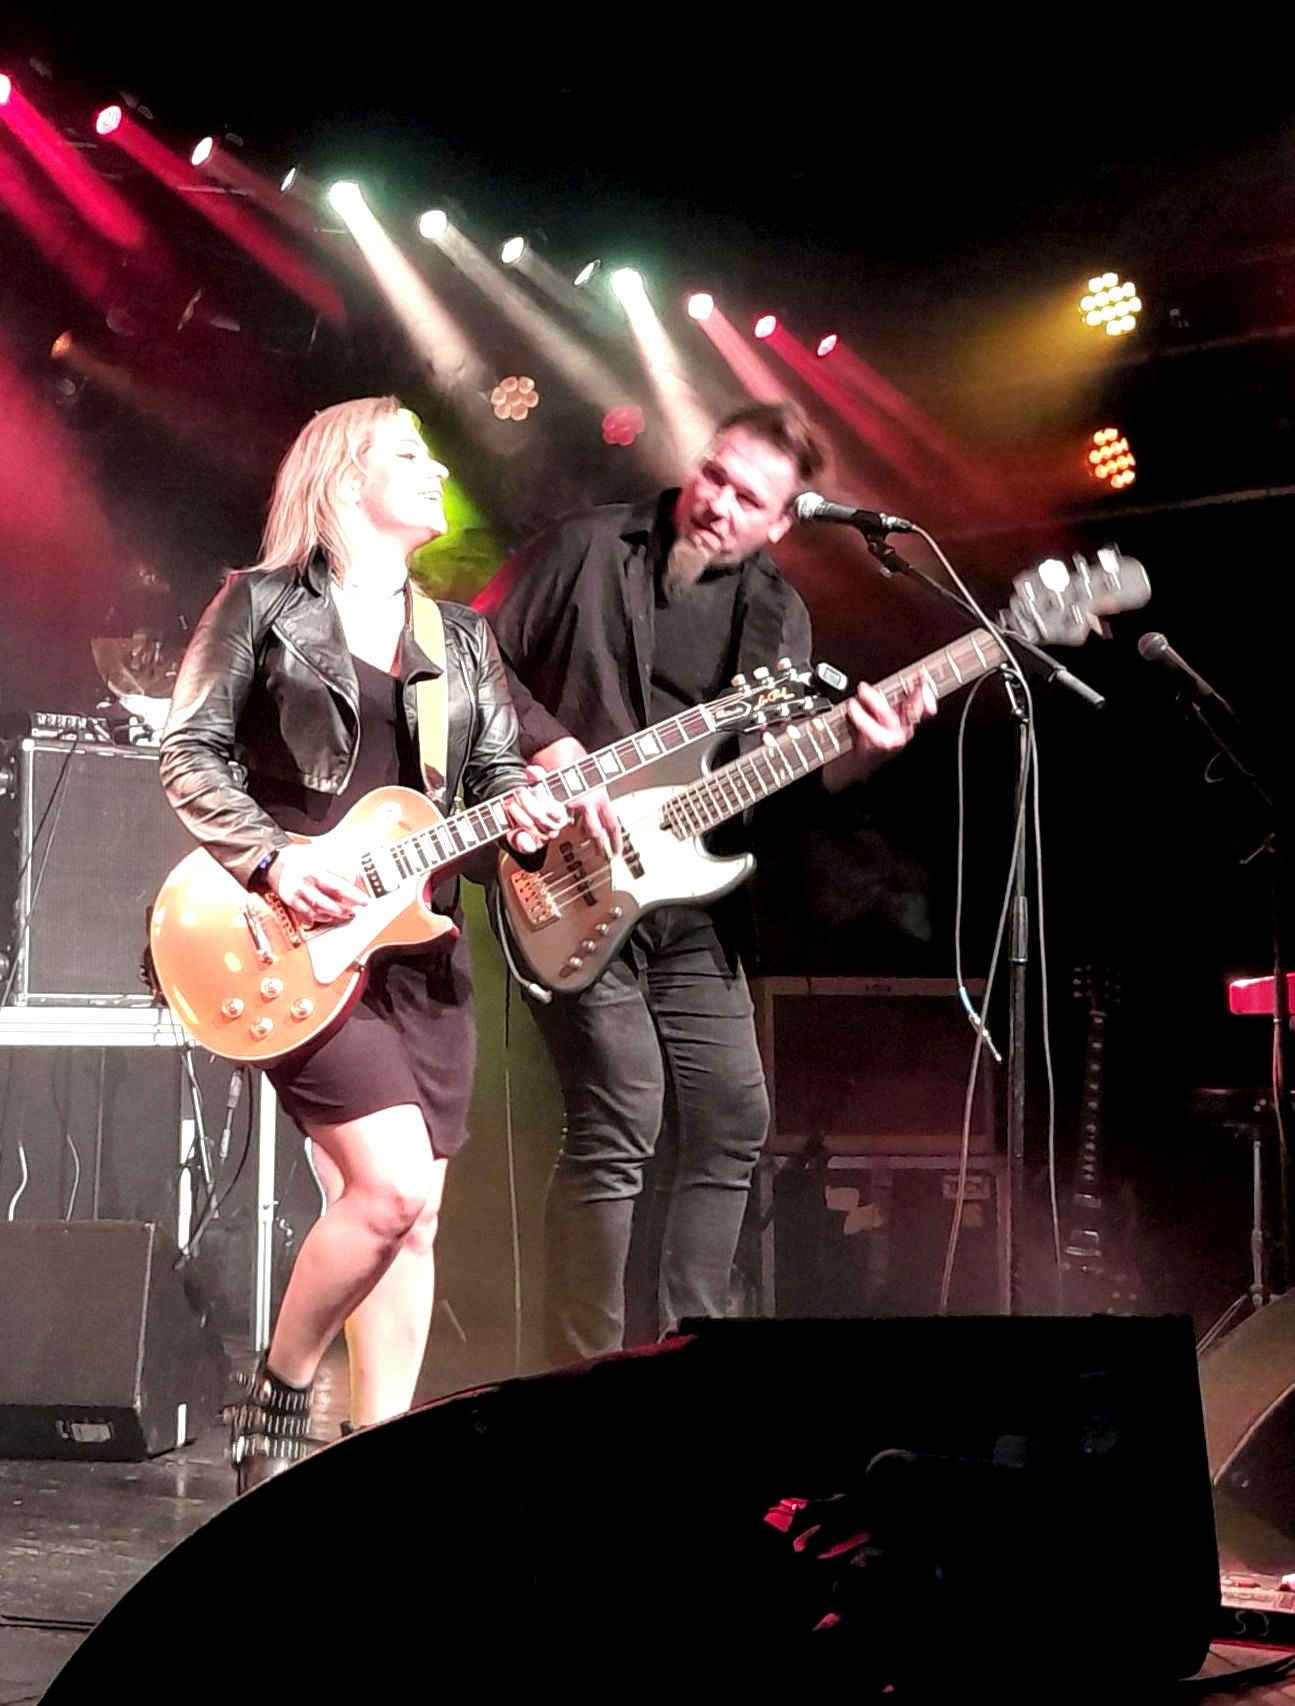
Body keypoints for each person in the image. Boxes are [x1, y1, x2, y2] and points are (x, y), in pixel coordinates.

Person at [159, 396, 565, 1489]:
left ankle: (374, 1469)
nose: (435, 471)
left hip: (420, 946)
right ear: (343, 477)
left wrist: (524, 819)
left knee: (414, 1219)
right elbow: (189, 752)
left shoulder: (459, 637)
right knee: (385, 1192)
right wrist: (274, 859)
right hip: (294, 934)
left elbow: (490, 783)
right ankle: (283, 1383)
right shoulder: (260, 603)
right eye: (407, 453)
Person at [475, 400, 934, 1365]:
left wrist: (861, 752)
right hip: (567, 874)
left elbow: (780, 784)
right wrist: (549, 747)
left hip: (692, 905)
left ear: (782, 522)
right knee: (623, 1113)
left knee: (732, 1119)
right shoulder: (587, 547)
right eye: (714, 473)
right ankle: (582, 1378)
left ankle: (688, 1363)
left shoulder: (778, 616)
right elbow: (465, 656)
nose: (717, 502)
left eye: (747, 497)